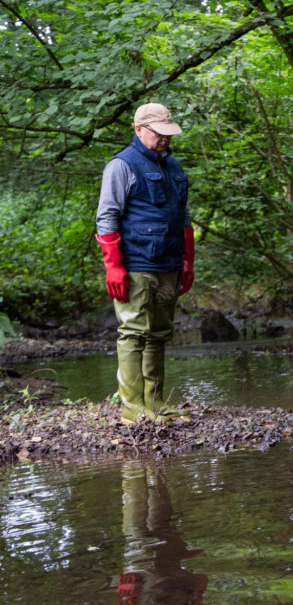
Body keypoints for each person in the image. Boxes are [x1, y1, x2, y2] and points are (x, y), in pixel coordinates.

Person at [96, 102, 194, 424]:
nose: (166, 139)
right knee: (134, 332)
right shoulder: (121, 165)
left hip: (168, 262)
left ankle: (155, 405)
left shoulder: (175, 167)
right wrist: (114, 266)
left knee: (159, 333)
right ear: (139, 130)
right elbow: (107, 217)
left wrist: (187, 261)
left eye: (169, 133)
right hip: (136, 262)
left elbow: (184, 216)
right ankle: (132, 409)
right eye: (159, 133)